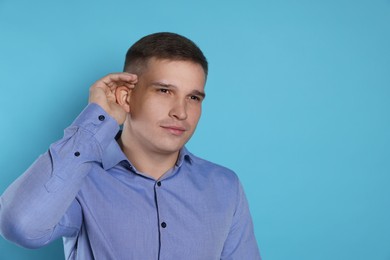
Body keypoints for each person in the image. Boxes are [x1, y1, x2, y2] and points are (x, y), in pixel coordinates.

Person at [0, 32, 261, 259]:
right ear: (126, 96)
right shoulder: (80, 177)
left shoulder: (225, 186)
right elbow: (19, 226)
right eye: (164, 91)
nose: (181, 112)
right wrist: (96, 120)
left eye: (193, 97)